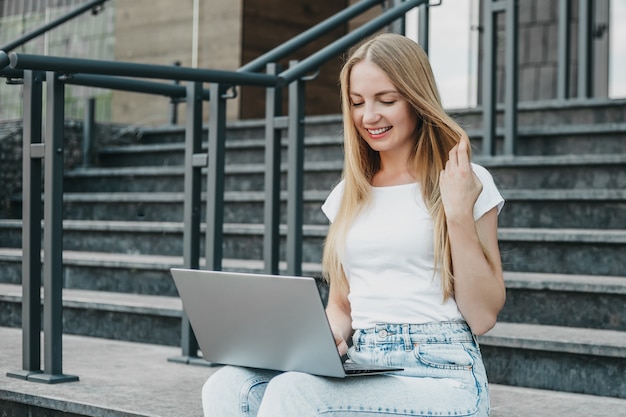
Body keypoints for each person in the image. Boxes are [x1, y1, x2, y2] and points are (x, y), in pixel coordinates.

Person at [202, 32, 505, 417]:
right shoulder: (349, 193)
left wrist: (458, 213)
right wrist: (327, 335)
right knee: (228, 386)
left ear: (417, 100)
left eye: (386, 100)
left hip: (442, 372)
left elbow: (483, 317)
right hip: (365, 363)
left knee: (296, 395)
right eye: (357, 103)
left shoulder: (466, 179)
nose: (368, 116)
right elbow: (342, 305)